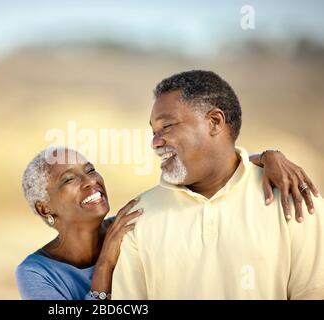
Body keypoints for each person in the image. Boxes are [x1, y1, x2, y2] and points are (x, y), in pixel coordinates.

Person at [111, 70, 324, 299]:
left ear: (214, 122)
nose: (155, 142)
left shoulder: (294, 199)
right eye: (154, 132)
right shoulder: (137, 217)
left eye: (167, 126)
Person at [16, 143, 318, 299]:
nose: (90, 182)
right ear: (45, 210)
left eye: (90, 169)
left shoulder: (132, 225)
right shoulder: (36, 273)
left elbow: (201, 172)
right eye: (70, 178)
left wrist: (267, 156)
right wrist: (106, 264)